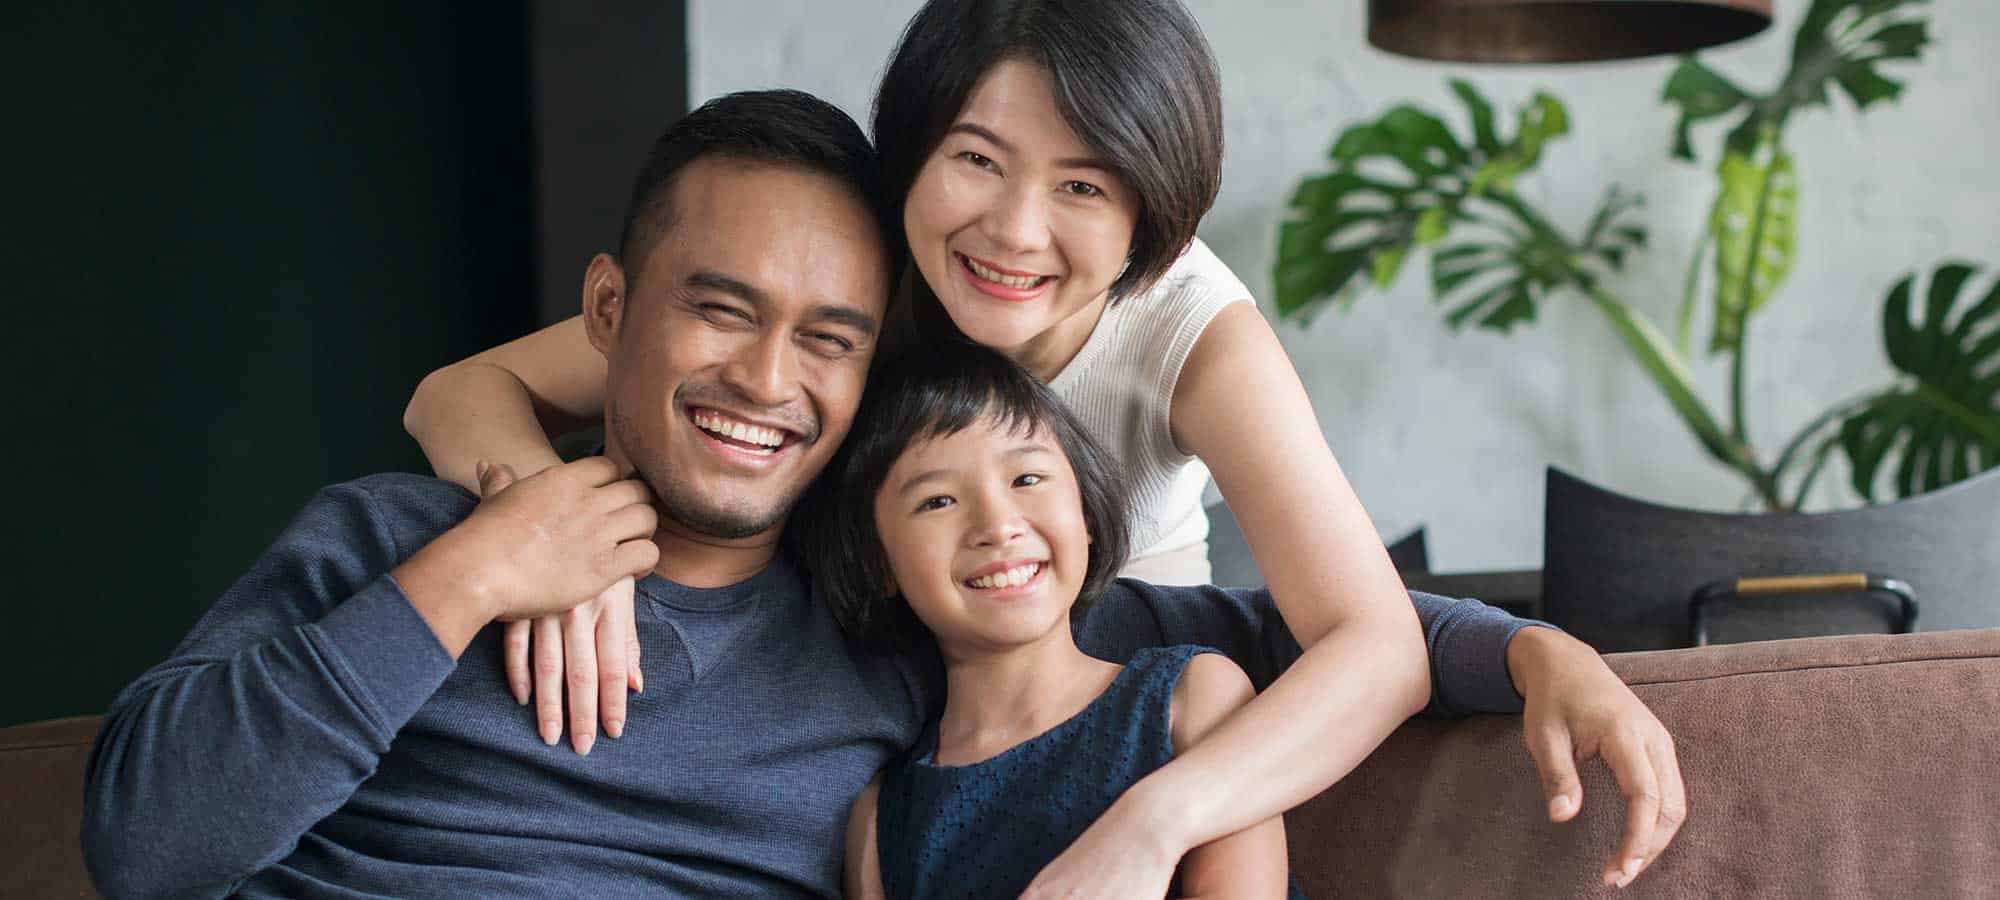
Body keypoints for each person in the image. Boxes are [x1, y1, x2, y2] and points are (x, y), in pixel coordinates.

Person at [80, 89, 1606, 899]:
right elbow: (145, 847)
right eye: (720, 310)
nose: (766, 380)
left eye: (829, 342)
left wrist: (1536, 651)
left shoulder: (886, 618)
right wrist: (479, 570)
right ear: (607, 309)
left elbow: (1297, 630)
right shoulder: (391, 537)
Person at [403, 0, 1685, 890]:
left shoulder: (1194, 338)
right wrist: (548, 532)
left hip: (1096, 711)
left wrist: (1151, 823)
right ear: (908, 157)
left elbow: (1359, 643)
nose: (1013, 232)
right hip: (874, 712)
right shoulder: (851, 284)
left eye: (1083, 184)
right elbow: (459, 392)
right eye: (973, 160)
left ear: (1154, 214)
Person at [807, 343, 1304, 898]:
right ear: (879, 563)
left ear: (1086, 513)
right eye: (938, 501)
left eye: (1026, 479)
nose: (998, 525)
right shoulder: (882, 819)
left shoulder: (1190, 698)